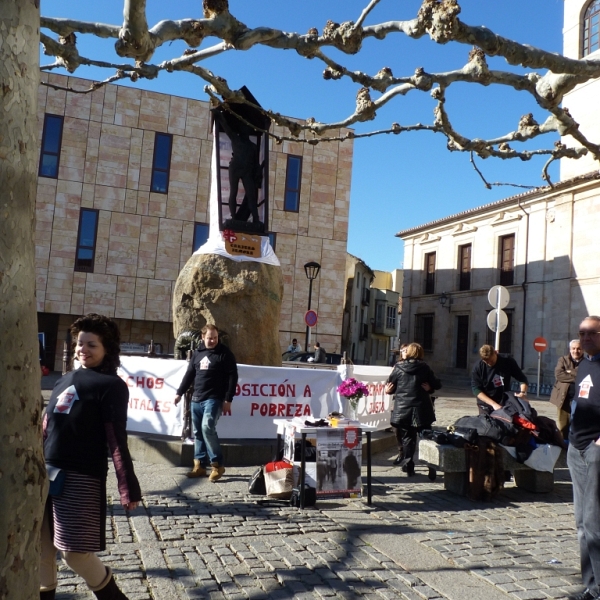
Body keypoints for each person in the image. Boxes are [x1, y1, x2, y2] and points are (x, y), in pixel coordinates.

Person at [41, 313, 141, 600]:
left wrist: (127, 486)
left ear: (107, 348)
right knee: (41, 550)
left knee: (75, 554)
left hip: (81, 477)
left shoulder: (112, 386)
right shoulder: (65, 379)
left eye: (91, 345)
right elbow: (46, 426)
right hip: (44, 472)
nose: (82, 349)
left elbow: (116, 439)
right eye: (79, 343)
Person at [174, 324, 238, 482]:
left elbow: (232, 377)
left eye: (215, 338)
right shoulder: (198, 353)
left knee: (207, 427)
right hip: (196, 399)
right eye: (210, 338)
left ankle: (217, 464)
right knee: (197, 433)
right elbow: (189, 375)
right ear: (203, 337)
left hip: (214, 398)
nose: (213, 340)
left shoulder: (225, 354)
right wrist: (179, 393)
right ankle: (199, 465)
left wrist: (228, 398)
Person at [567, 316, 600, 600]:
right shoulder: (584, 364)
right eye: (582, 333)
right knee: (581, 525)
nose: (585, 338)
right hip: (575, 447)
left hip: (594, 450)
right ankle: (590, 586)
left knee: (594, 524)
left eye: (592, 333)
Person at [385, 342, 441, 478]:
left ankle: (409, 467)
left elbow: (390, 384)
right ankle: (431, 465)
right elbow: (437, 384)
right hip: (422, 408)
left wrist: (388, 391)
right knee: (426, 437)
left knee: (408, 438)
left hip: (404, 408)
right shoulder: (425, 368)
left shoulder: (398, 367)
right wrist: (430, 389)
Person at [471, 344, 529, 415]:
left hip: (505, 400)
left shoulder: (508, 361)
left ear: (495, 352)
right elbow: (476, 390)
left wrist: (522, 393)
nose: (489, 363)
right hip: (486, 403)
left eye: (491, 361)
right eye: (486, 362)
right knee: (488, 423)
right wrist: (493, 404)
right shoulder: (478, 367)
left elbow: (522, 378)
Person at [550, 339, 583, 440]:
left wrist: (568, 372)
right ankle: (564, 446)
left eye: (578, 349)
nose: (576, 351)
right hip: (562, 398)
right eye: (573, 348)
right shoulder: (563, 360)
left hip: (578, 399)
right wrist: (577, 375)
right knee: (563, 425)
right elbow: (559, 375)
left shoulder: (586, 363)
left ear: (583, 350)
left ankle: (574, 445)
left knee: (576, 425)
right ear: (570, 349)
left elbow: (585, 376)